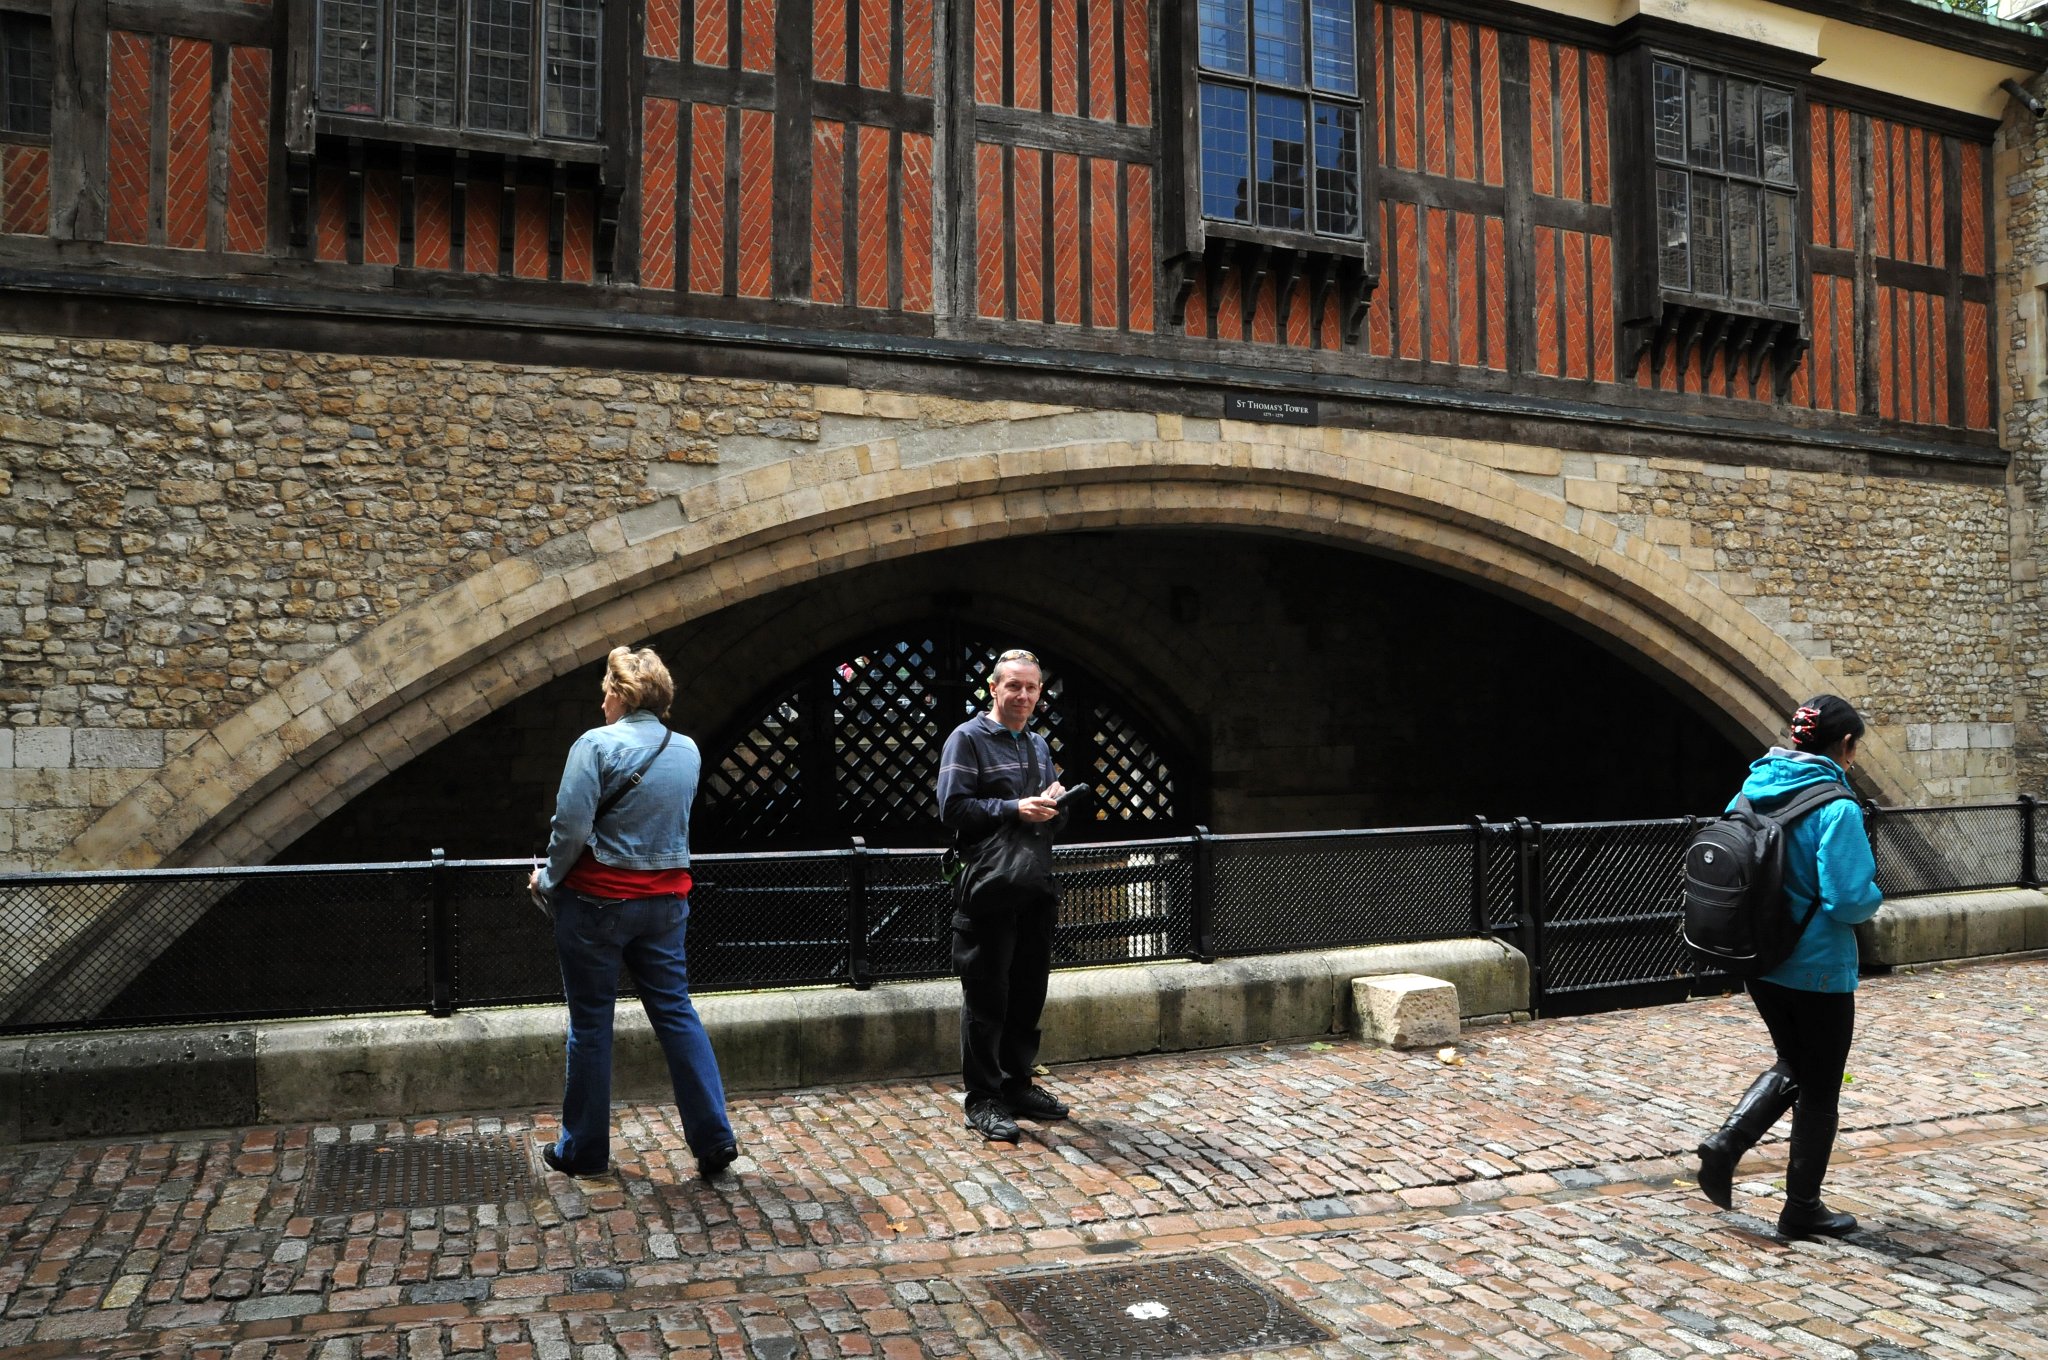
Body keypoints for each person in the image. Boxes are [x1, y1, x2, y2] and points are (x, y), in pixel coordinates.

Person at [528, 645, 738, 1181]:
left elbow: (570, 829)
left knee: (592, 1025)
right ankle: (714, 1137)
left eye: (605, 692)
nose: (601, 703)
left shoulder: (595, 745)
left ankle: (584, 1150)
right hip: (666, 904)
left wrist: (547, 880)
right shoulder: (687, 750)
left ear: (620, 694)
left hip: (598, 902)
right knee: (676, 1013)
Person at [1695, 694, 1883, 1238]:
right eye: (1855, 749)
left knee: (1794, 1061)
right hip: (1817, 966)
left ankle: (1727, 1145)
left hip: (1759, 957)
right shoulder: (1838, 807)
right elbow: (1847, 900)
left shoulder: (1752, 787)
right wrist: (1875, 893)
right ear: (1845, 745)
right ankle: (1801, 1208)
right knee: (1821, 1084)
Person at [937, 648, 1073, 1143]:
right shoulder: (967, 739)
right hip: (989, 884)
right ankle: (983, 1097)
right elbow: (954, 809)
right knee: (986, 992)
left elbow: (1045, 818)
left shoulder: (1037, 745)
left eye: (1031, 688)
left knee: (1028, 989)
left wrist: (1053, 807)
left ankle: (1018, 1084)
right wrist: (1015, 807)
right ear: (993, 688)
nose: (1023, 695)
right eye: (1013, 686)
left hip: (1033, 882)